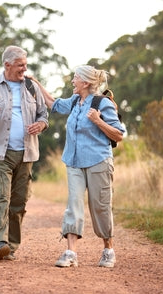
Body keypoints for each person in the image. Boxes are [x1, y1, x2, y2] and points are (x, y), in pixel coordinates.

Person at [31, 65, 125, 268]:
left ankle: (108, 249)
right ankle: (71, 252)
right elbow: (52, 103)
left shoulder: (103, 103)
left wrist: (98, 121)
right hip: (73, 162)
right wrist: (34, 82)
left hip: (98, 161)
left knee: (100, 207)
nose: (72, 81)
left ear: (86, 83)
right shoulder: (74, 101)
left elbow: (118, 134)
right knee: (73, 204)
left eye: (75, 78)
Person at [0, 45, 48, 261]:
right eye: (20, 64)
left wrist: (41, 125)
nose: (25, 68)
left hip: (27, 153)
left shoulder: (32, 86)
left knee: (19, 203)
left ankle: (11, 246)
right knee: (0, 197)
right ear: (7, 65)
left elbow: (44, 115)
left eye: (25, 64)